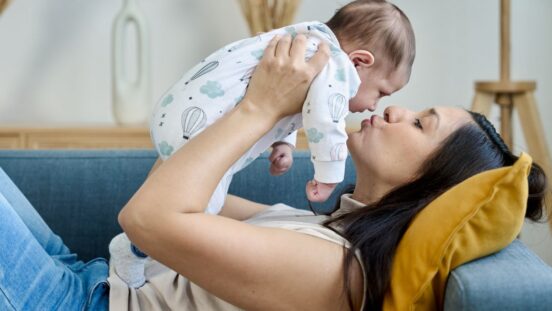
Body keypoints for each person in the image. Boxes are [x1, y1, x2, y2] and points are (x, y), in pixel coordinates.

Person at [0, 35, 546, 311]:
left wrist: (259, 109)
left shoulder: (338, 271)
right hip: (85, 275)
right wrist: (270, 118)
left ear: (431, 184)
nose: (399, 110)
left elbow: (146, 217)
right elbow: (179, 190)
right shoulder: (330, 228)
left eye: (422, 124)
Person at [118, 0, 416, 288]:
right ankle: (129, 249)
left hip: (176, 116)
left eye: (420, 124)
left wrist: (282, 142)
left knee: (208, 201)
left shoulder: (303, 39)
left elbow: (292, 106)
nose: (380, 107)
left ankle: (133, 251)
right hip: (196, 128)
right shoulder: (334, 65)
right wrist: (328, 173)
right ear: (360, 62)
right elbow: (326, 119)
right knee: (206, 203)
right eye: (381, 92)